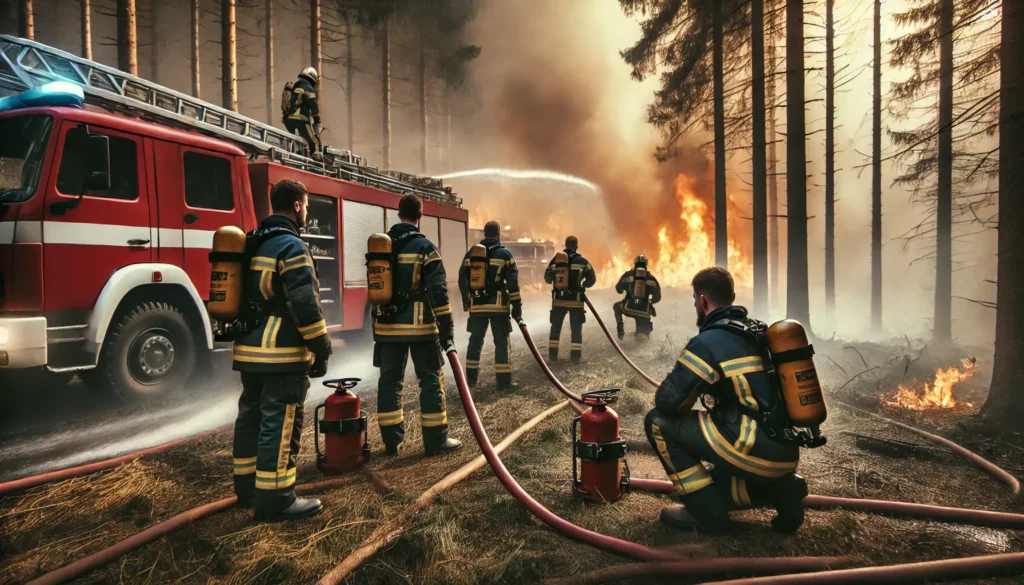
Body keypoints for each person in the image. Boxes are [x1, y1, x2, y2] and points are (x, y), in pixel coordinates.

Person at [645, 267, 807, 532]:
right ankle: (784, 490)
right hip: (786, 453)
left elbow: (668, 403)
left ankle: (706, 513)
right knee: (716, 476)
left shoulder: (708, 341)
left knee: (657, 422)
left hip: (749, 445)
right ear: (732, 296)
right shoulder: (760, 333)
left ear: (702, 301)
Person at [231, 179, 332, 522]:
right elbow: (304, 303)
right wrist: (322, 348)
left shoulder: (252, 242)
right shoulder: (291, 246)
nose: (307, 212)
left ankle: (247, 489)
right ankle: (276, 499)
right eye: (307, 206)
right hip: (282, 353)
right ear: (298, 206)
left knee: (251, 417)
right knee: (279, 421)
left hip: (249, 351)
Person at [373, 194, 461, 457]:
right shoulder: (425, 247)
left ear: (398, 213)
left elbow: (375, 288)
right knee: (431, 381)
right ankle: (435, 441)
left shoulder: (381, 246)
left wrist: (376, 329)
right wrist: (447, 329)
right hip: (421, 329)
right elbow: (439, 294)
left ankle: (391, 443)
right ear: (420, 215)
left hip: (387, 329)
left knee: (389, 382)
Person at [458, 220, 523, 391]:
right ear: (498, 234)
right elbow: (513, 284)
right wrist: (517, 307)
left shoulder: (472, 253)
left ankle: (470, 381)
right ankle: (504, 383)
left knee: (475, 341)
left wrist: (467, 300)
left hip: (477, 306)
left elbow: (461, 278)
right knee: (501, 343)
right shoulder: (505, 254)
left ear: (484, 234)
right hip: (498, 307)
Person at [544, 236, 596, 362]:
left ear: (565, 245)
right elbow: (592, 279)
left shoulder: (556, 260)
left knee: (555, 327)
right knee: (576, 329)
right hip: (576, 301)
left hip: (559, 301)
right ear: (576, 245)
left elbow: (547, 278)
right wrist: (583, 286)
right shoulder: (582, 261)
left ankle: (552, 355)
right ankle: (575, 357)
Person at [612, 254, 662, 340]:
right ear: (646, 265)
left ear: (635, 264)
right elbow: (658, 297)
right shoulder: (652, 279)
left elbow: (618, 289)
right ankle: (642, 337)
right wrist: (650, 303)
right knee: (643, 338)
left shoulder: (628, 275)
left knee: (617, 306)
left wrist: (625, 288)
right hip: (644, 312)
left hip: (628, 308)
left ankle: (620, 329)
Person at [282, 67, 323, 161]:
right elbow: (313, 106)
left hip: (287, 119)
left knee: (295, 139)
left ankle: (294, 154)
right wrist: (317, 120)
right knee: (314, 141)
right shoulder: (308, 88)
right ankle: (317, 160)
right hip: (301, 118)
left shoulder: (294, 86)